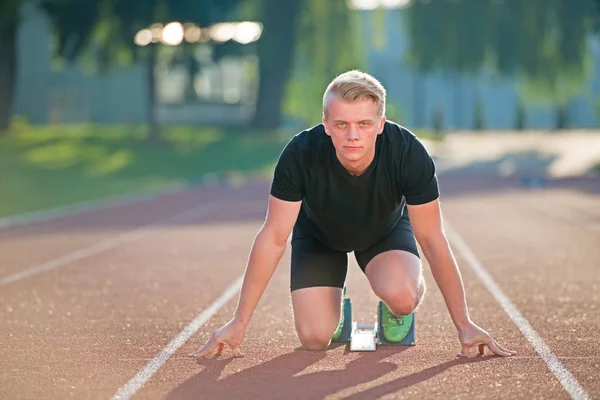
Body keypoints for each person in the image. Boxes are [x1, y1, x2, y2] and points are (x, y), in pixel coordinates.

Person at [189, 70, 516, 359]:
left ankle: (395, 312)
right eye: (341, 124)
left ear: (380, 124)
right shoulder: (300, 154)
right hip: (319, 236)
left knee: (403, 296)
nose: (353, 135)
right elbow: (274, 237)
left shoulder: (407, 153)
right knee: (315, 339)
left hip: (384, 231)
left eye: (364, 124)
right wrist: (239, 323)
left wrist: (464, 325)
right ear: (326, 125)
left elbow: (431, 238)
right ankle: (337, 307)